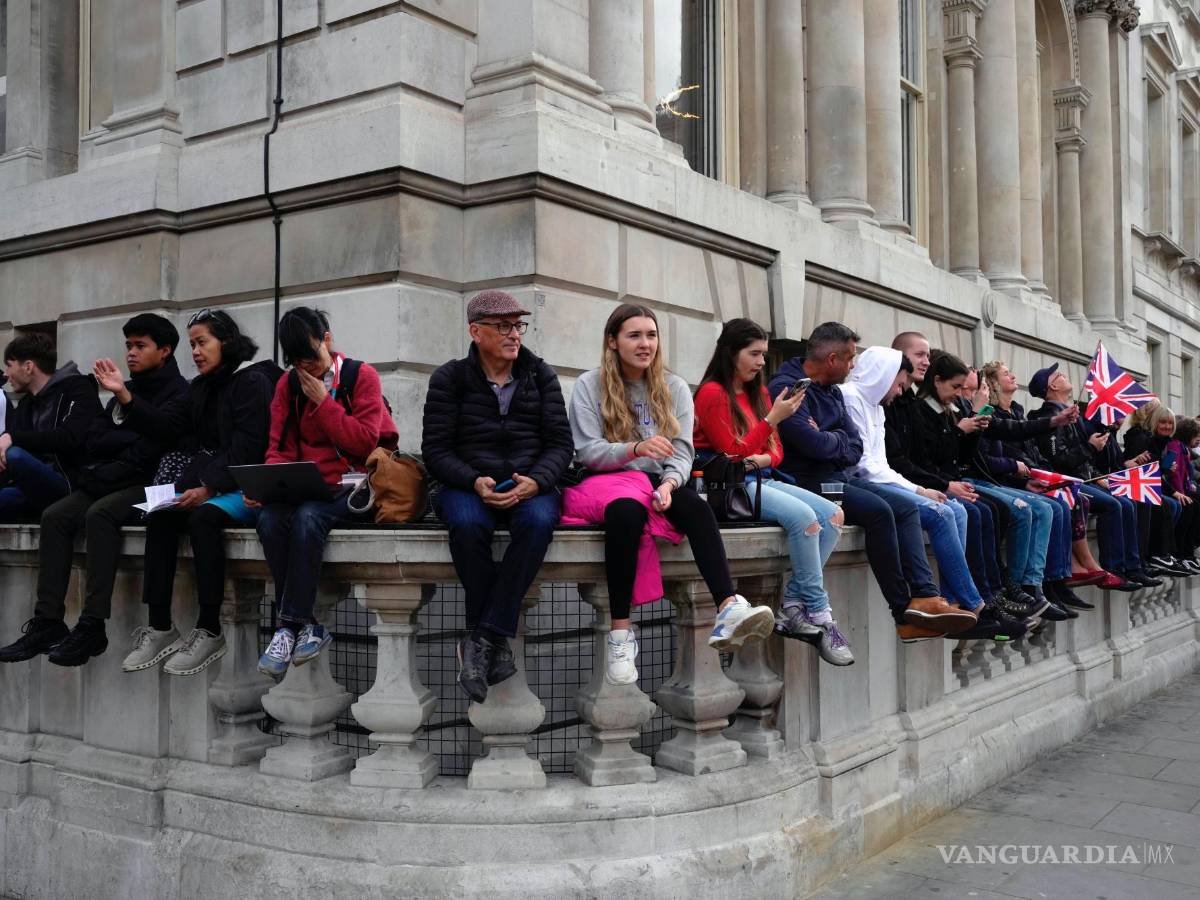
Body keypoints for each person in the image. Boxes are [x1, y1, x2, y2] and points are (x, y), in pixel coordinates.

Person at [571, 303, 775, 684]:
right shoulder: (589, 385)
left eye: (651, 335)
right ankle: (620, 633)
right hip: (608, 478)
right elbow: (587, 451)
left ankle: (728, 606)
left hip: (656, 480)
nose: (645, 343)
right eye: (634, 335)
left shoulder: (675, 386)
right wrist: (634, 449)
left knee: (696, 509)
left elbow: (682, 452)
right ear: (612, 342)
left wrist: (668, 484)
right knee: (626, 514)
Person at [767, 322, 975, 642]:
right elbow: (812, 445)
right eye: (850, 359)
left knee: (904, 509)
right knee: (879, 511)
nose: (853, 367)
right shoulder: (790, 386)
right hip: (807, 483)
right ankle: (902, 613)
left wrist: (831, 439)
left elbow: (854, 447)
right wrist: (834, 441)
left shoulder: (833, 391)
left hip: (833, 476)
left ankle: (925, 597)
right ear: (832, 358)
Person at [0, 315, 188, 665]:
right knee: (55, 516)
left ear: (164, 351)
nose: (131, 352)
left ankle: (92, 624)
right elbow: (94, 440)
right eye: (129, 345)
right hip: (107, 479)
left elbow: (161, 440)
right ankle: (48, 621)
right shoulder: (122, 390)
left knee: (99, 515)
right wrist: (130, 427)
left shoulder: (178, 391)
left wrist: (128, 409)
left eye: (140, 346)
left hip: (147, 485)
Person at [422, 290, 573, 703]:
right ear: (476, 332)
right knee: (468, 523)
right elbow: (435, 450)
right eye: (503, 326)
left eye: (518, 325)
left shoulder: (540, 375)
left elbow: (561, 445)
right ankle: (494, 643)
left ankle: (481, 638)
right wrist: (473, 481)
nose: (514, 334)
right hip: (468, 484)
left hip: (530, 484)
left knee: (540, 521)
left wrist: (538, 481)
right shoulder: (449, 378)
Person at [120, 309, 279, 676]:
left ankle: (209, 628)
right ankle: (160, 626)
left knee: (204, 520)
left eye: (202, 342)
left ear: (226, 342)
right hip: (213, 483)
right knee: (159, 514)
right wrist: (126, 397)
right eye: (192, 344)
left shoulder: (251, 382)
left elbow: (249, 449)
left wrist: (207, 488)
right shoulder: (201, 387)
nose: (194, 351)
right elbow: (171, 428)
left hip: (249, 486)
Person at [693, 318, 853, 665]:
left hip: (760, 478)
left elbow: (776, 451)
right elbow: (731, 453)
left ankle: (793, 605)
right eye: (754, 354)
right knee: (805, 518)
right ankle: (821, 612)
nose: (762, 363)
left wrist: (761, 450)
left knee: (834, 515)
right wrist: (770, 424)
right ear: (731, 352)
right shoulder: (711, 393)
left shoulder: (760, 393)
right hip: (729, 486)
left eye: (764, 355)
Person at [254, 308, 399, 676]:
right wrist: (270, 483)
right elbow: (278, 448)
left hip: (353, 488)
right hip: (308, 485)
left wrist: (324, 402)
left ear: (327, 339)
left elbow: (366, 442)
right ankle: (304, 627)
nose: (311, 369)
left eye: (314, 358)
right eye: (300, 363)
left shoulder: (360, 376)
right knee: (269, 518)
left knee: (307, 518)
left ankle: (289, 625)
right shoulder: (288, 386)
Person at [842, 346, 1023, 640]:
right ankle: (975, 605)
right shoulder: (852, 398)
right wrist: (920, 489)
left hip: (886, 481)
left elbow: (884, 463)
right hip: (862, 484)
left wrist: (924, 487)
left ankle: (954, 603)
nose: (901, 391)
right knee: (941, 512)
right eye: (899, 383)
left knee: (957, 510)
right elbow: (866, 466)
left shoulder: (877, 405)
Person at [1029, 363, 1156, 591]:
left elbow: (1085, 458)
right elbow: (1060, 460)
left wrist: (1099, 477)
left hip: (1087, 479)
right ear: (1053, 386)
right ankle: (1113, 569)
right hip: (1068, 483)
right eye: (1058, 375)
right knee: (1113, 505)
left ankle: (1134, 566)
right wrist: (1090, 447)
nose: (1064, 375)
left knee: (1129, 502)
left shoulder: (1071, 415)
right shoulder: (1048, 417)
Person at [0, 333, 103, 520]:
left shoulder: (78, 389)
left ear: (28, 366)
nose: (5, 374)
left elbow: (69, 438)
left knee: (14, 454)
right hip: (31, 488)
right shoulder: (26, 404)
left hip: (73, 486)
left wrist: (12, 437)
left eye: (9, 364)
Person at [1123, 402, 1191, 575]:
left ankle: (1167, 552)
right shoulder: (1142, 438)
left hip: (1155, 484)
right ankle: (1158, 554)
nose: (1167, 426)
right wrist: (1173, 487)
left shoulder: (1168, 443)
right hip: (1140, 486)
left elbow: (1163, 470)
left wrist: (1166, 467)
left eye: (1170, 423)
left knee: (1176, 505)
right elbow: (1150, 471)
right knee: (1167, 505)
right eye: (1162, 421)